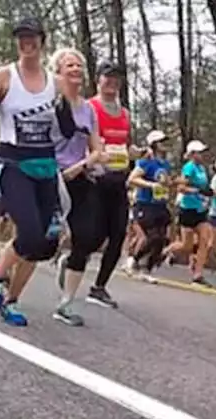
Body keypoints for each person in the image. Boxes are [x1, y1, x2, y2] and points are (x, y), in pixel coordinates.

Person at [0, 16, 78, 326]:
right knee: (28, 233)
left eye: (32, 37)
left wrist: (63, 109)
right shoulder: (3, 76)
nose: (26, 43)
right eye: (21, 38)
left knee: (44, 243)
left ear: (42, 41)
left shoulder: (56, 84)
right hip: (14, 165)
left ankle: (10, 301)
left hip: (45, 166)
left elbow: (67, 131)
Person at [51, 47, 104, 326]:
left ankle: (66, 303)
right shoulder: (50, 104)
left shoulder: (88, 109)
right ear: (58, 72)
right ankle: (7, 277)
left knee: (88, 237)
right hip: (51, 176)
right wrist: (58, 170)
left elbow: (97, 149)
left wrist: (82, 165)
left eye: (78, 66)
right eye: (69, 65)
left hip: (80, 177)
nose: (75, 70)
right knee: (40, 240)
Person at [83, 61, 134, 307]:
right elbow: (81, 140)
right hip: (95, 179)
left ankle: (99, 286)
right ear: (98, 80)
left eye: (116, 78)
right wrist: (93, 161)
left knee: (118, 233)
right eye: (108, 78)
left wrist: (134, 153)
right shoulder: (89, 107)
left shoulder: (125, 113)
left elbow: (124, 144)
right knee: (94, 235)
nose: (112, 82)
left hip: (118, 179)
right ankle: (73, 258)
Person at [127, 129, 172, 283]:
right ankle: (133, 259)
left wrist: (170, 184)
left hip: (160, 204)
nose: (165, 144)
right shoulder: (146, 161)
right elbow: (132, 179)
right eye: (161, 142)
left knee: (161, 239)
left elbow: (166, 181)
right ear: (154, 144)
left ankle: (147, 270)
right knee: (151, 237)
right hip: (145, 204)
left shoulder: (165, 164)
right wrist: (151, 185)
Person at [175, 140, 213, 286]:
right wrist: (197, 190)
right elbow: (181, 188)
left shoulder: (202, 169)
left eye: (202, 152)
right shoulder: (189, 168)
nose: (202, 155)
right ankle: (165, 252)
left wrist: (208, 191)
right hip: (188, 209)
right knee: (186, 245)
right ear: (192, 154)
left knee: (204, 240)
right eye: (199, 152)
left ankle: (198, 275)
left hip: (200, 209)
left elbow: (204, 186)